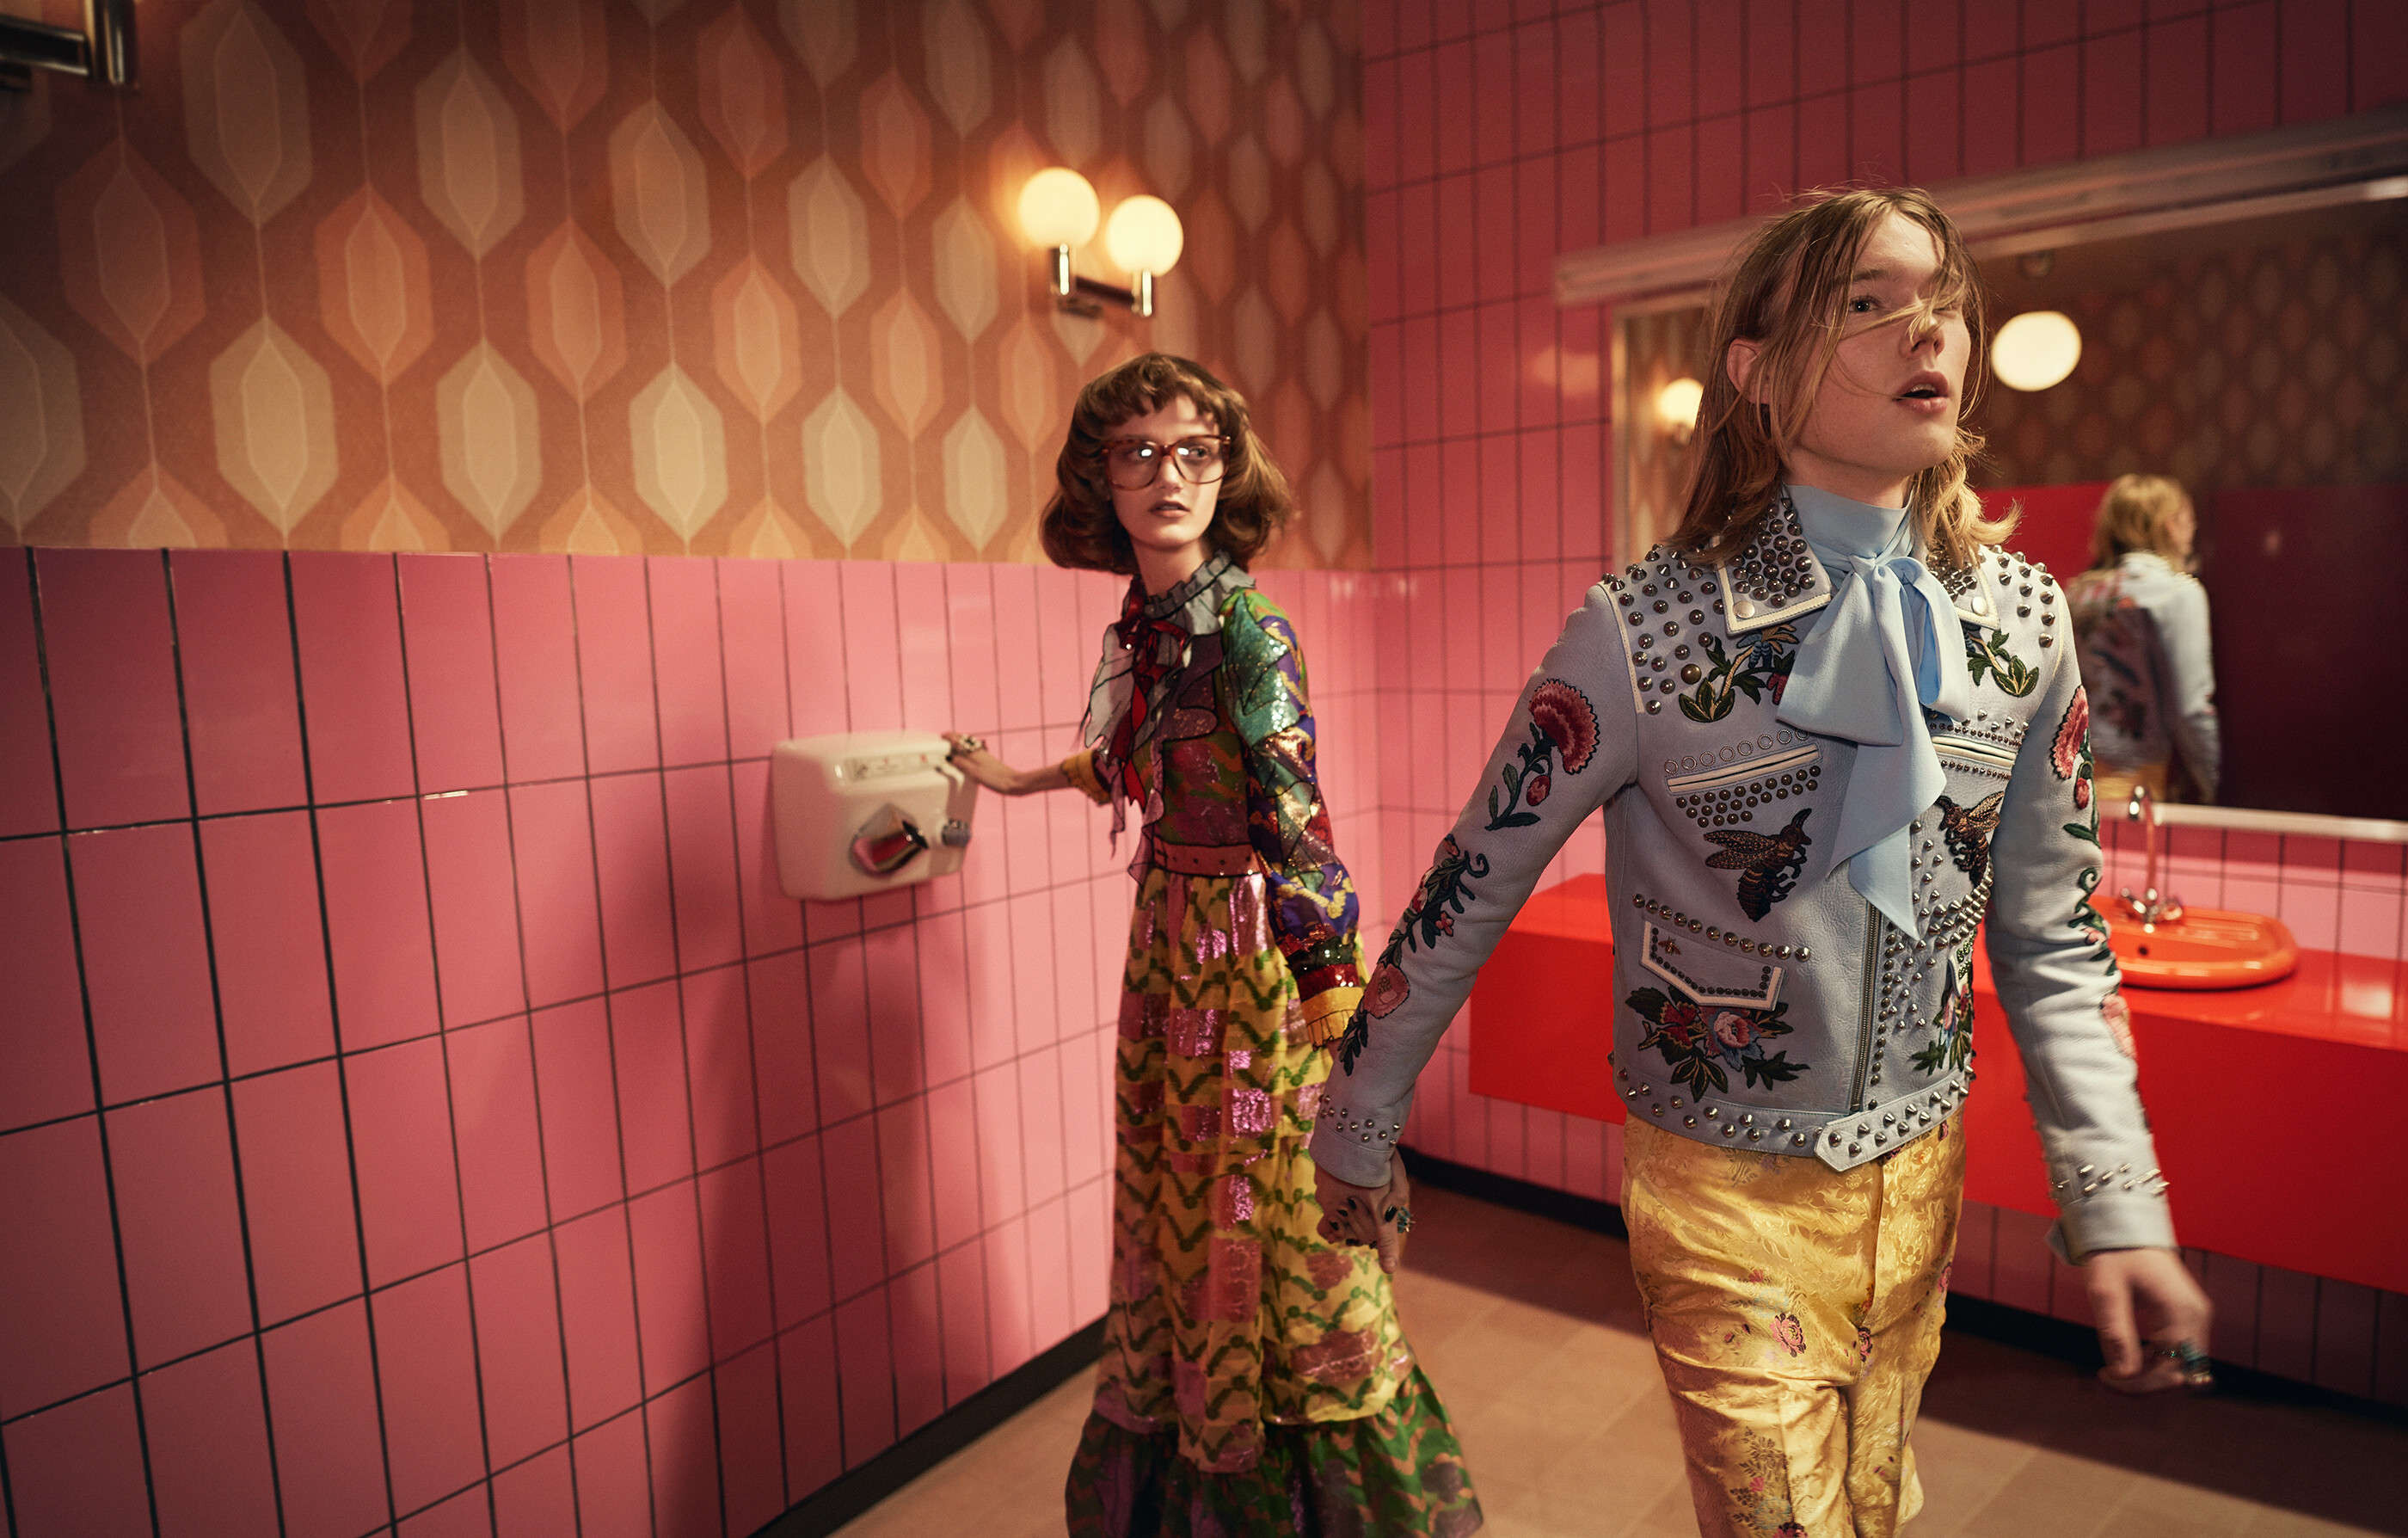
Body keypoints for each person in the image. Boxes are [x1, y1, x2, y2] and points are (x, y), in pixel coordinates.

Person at [1308, 190, 2211, 1538]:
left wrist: (2118, 1196)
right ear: (1757, 368)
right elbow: (1470, 882)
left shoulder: (2026, 620)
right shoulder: (1645, 629)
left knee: (1876, 1505)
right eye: (1868, 302)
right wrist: (1358, 1118)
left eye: (1944, 301)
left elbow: (2054, 936)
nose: (1929, 331)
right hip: (1720, 1193)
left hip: (1924, 1182)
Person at [945, 353, 1481, 1536]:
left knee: (1270, 1214)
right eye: (1137, 452)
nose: (1168, 475)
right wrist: (1014, 777)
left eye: (1195, 450)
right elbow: (1128, 755)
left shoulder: (1249, 630)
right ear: (1100, 477)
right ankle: (1193, 1448)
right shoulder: (1145, 624)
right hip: (1167, 951)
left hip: (1249, 963)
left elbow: (1297, 828)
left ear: (1227, 468)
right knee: (1175, 1210)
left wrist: (1351, 1048)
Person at [2065, 474, 2221, 803]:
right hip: (2138, 784)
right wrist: (2211, 782)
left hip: (2072, 776)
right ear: (2169, 525)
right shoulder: (2178, 592)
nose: (2192, 531)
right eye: (2188, 520)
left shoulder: (2079, 592)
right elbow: (2192, 708)